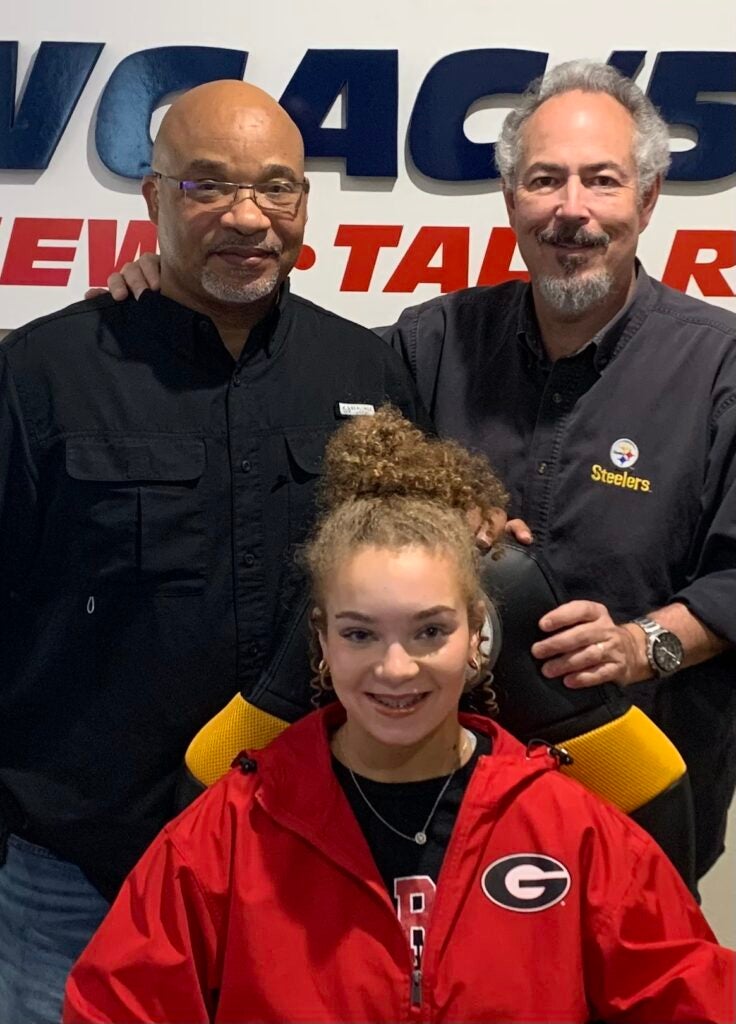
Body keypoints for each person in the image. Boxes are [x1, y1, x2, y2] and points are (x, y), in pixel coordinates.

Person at [106, 62, 736, 881]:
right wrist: (172, 296)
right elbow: (283, 366)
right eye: (544, 180)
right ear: (512, 200)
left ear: (647, 198)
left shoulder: (720, 364)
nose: (570, 209)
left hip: (632, 800)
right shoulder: (426, 342)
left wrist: (640, 643)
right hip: (433, 818)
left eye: (601, 181)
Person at [63, 408, 734, 1024]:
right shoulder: (224, 837)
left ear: (477, 636)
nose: (395, 668)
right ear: (321, 641)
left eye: (429, 631)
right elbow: (115, 1007)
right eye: (359, 634)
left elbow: (695, 999)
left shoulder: (576, 832)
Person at [0, 80, 430, 1023]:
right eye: (206, 186)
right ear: (153, 199)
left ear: (306, 205)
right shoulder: (40, 376)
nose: (248, 216)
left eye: (277, 188)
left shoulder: (367, 371)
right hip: (81, 875)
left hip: (305, 865)